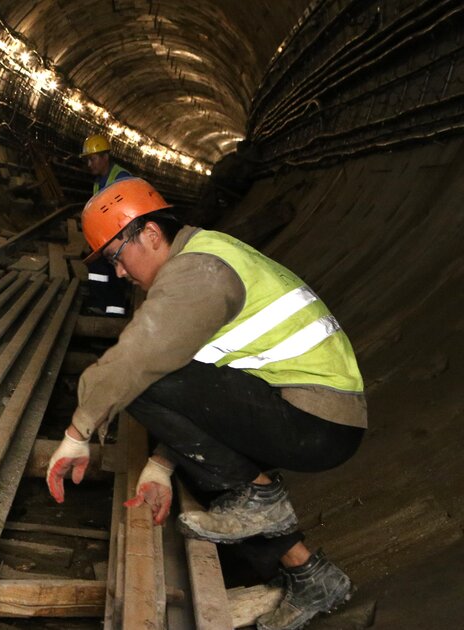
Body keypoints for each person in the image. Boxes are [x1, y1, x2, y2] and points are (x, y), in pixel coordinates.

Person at [45, 178, 366, 630]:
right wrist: (162, 466)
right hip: (307, 410)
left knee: (140, 380)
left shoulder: (199, 271)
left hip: (317, 417)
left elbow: (138, 360)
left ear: (151, 235)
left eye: (117, 256)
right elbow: (202, 404)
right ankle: (312, 576)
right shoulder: (201, 261)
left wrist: (76, 434)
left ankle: (263, 497)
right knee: (220, 479)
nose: (118, 273)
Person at [79, 134, 133, 317]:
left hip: (121, 237)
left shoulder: (121, 177)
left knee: (111, 272)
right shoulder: (98, 182)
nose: (89, 164)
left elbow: (126, 211)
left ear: (105, 157)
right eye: (87, 160)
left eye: (92, 159)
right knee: (99, 269)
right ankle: (102, 305)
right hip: (107, 237)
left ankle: (114, 311)